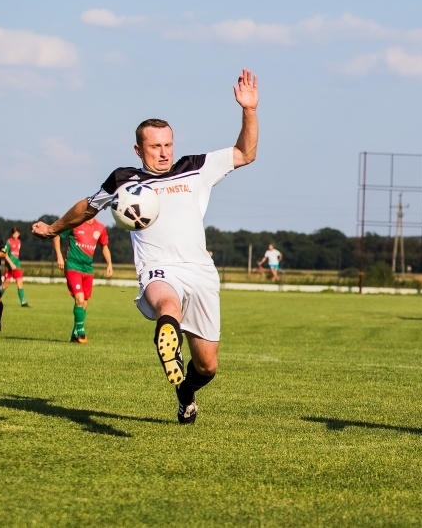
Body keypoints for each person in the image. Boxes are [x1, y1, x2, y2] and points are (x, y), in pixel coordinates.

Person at [32, 69, 259, 425]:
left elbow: (246, 153)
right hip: (158, 268)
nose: (164, 152)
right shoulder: (125, 180)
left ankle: (185, 391)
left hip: (199, 271)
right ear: (138, 149)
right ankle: (168, 335)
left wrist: (249, 109)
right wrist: (54, 228)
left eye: (168, 144)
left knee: (208, 365)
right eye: (155, 146)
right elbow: (88, 207)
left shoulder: (195, 168)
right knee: (167, 305)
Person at [53, 218, 113, 344]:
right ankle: (81, 332)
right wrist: (59, 256)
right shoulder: (76, 223)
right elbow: (57, 235)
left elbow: (104, 247)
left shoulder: (100, 227)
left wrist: (109, 264)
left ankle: (74, 335)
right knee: (79, 298)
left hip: (88, 268)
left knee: (84, 303)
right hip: (73, 265)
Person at [2, 227, 30, 307]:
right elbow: (5, 254)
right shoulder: (8, 242)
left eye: (17, 233)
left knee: (20, 283)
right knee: (6, 284)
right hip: (9, 266)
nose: (15, 235)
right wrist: (10, 263)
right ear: (12, 234)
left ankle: (23, 302)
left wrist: (15, 263)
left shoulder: (19, 242)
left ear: (19, 234)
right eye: (14, 233)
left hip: (17, 266)